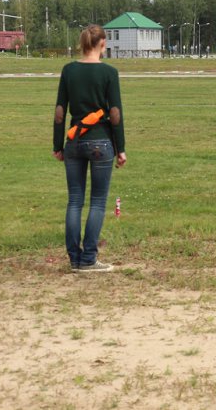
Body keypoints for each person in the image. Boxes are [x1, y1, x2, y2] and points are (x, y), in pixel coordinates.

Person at [53, 24, 127, 273]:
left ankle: (75, 258)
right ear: (102, 44)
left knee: (74, 201)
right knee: (97, 202)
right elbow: (115, 114)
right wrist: (121, 148)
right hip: (101, 142)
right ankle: (88, 259)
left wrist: (57, 144)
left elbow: (60, 111)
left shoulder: (68, 70)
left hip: (73, 141)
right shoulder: (109, 73)